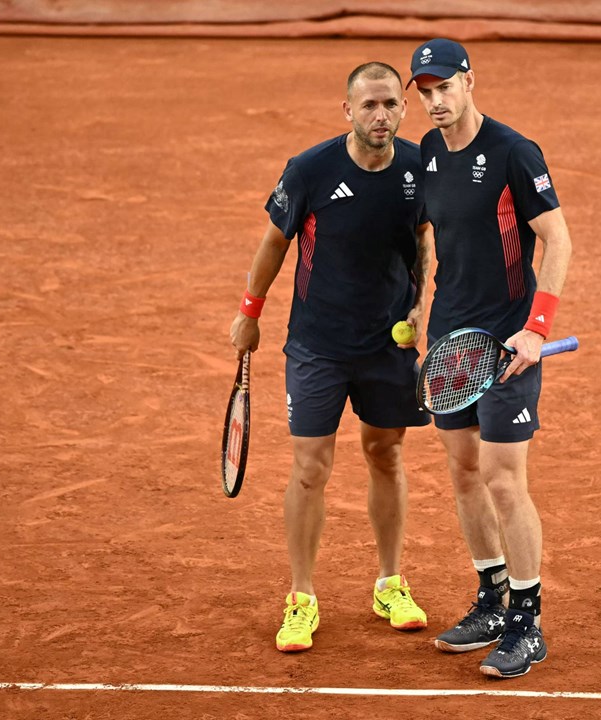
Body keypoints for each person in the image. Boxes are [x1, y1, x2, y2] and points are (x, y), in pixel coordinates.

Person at [229, 61, 433, 653]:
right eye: (368, 105)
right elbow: (275, 242)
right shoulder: (311, 170)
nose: (381, 115)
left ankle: (390, 582)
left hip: (386, 347)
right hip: (317, 345)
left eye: (391, 104)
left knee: (386, 456)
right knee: (310, 469)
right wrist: (249, 312)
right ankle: (302, 597)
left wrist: (418, 305)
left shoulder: (420, 169)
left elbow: (424, 238)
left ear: (403, 107)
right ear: (347, 110)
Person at [406, 38, 573, 679]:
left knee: (504, 478)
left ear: (470, 82)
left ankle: (527, 624)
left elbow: (556, 236)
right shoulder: (426, 154)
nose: (435, 101)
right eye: (425, 92)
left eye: (444, 87)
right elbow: (426, 233)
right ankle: (492, 595)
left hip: (508, 341)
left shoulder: (512, 151)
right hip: (451, 339)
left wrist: (536, 329)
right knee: (465, 474)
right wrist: (420, 310)